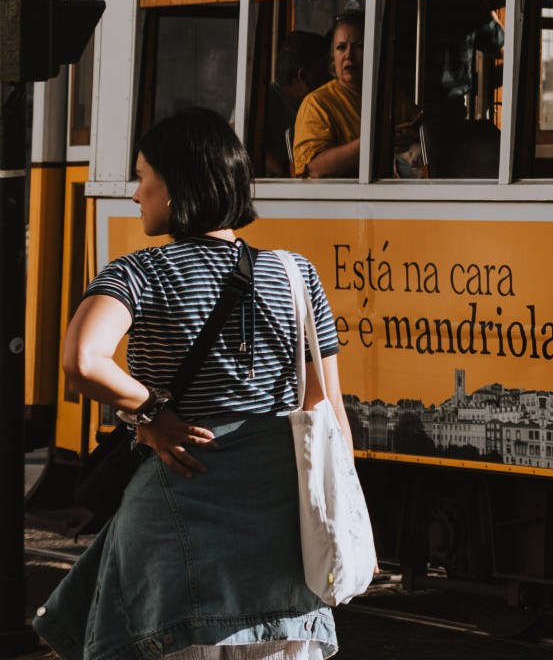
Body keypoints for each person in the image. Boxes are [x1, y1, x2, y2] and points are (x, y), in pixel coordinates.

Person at [39, 108, 344, 660]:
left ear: (175, 186)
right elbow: (328, 414)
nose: (136, 194)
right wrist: (349, 517)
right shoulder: (297, 275)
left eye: (142, 176)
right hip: (278, 529)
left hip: (172, 523)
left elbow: (83, 360)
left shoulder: (138, 273)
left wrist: (151, 413)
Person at [291, 9, 364, 179]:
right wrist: (370, 144)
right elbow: (314, 167)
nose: (349, 56)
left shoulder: (392, 97)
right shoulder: (317, 103)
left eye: (359, 47)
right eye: (341, 47)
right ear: (333, 57)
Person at [263, 29, 330, 176]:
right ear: (304, 76)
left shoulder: (324, 104)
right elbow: (236, 135)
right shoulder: (264, 98)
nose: (332, 77)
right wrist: (282, 169)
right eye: (326, 69)